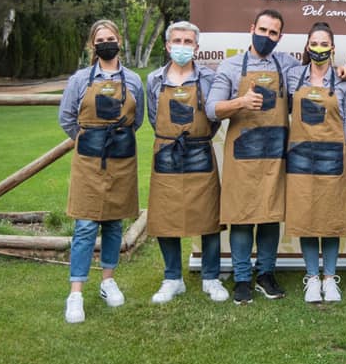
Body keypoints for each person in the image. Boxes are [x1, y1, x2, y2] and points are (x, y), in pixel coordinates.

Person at [206, 9, 296, 304]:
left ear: (280, 37)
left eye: (273, 33)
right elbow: (212, 108)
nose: (267, 36)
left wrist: (342, 71)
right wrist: (241, 101)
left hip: (275, 154)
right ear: (252, 28)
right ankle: (243, 278)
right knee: (242, 218)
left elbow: (316, 81)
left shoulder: (287, 65)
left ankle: (266, 274)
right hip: (243, 156)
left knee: (270, 216)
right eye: (263, 30)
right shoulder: (231, 66)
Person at [58, 19, 144, 324]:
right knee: (84, 226)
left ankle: (108, 281)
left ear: (119, 40)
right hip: (89, 161)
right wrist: (91, 141)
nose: (106, 42)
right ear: (92, 46)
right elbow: (67, 119)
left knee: (113, 224)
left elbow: (137, 120)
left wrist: (114, 140)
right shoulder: (79, 80)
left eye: (111, 37)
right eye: (100, 39)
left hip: (122, 160)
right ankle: (76, 293)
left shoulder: (133, 80)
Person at [145, 21, 229, 305]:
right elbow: (153, 117)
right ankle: (172, 279)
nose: (182, 46)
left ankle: (211, 278)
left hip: (199, 151)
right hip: (166, 151)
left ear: (196, 47)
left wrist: (197, 137)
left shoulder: (208, 77)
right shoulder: (154, 79)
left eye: (188, 42)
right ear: (168, 46)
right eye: (177, 41)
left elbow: (214, 118)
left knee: (208, 217)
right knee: (165, 216)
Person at [285, 22, 346, 303]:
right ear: (307, 46)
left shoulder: (343, 82)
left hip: (333, 158)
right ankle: (311, 278)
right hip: (301, 158)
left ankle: (330, 279)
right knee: (307, 218)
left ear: (333, 48)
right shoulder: (292, 76)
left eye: (324, 43)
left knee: (332, 219)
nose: (319, 48)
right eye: (314, 43)